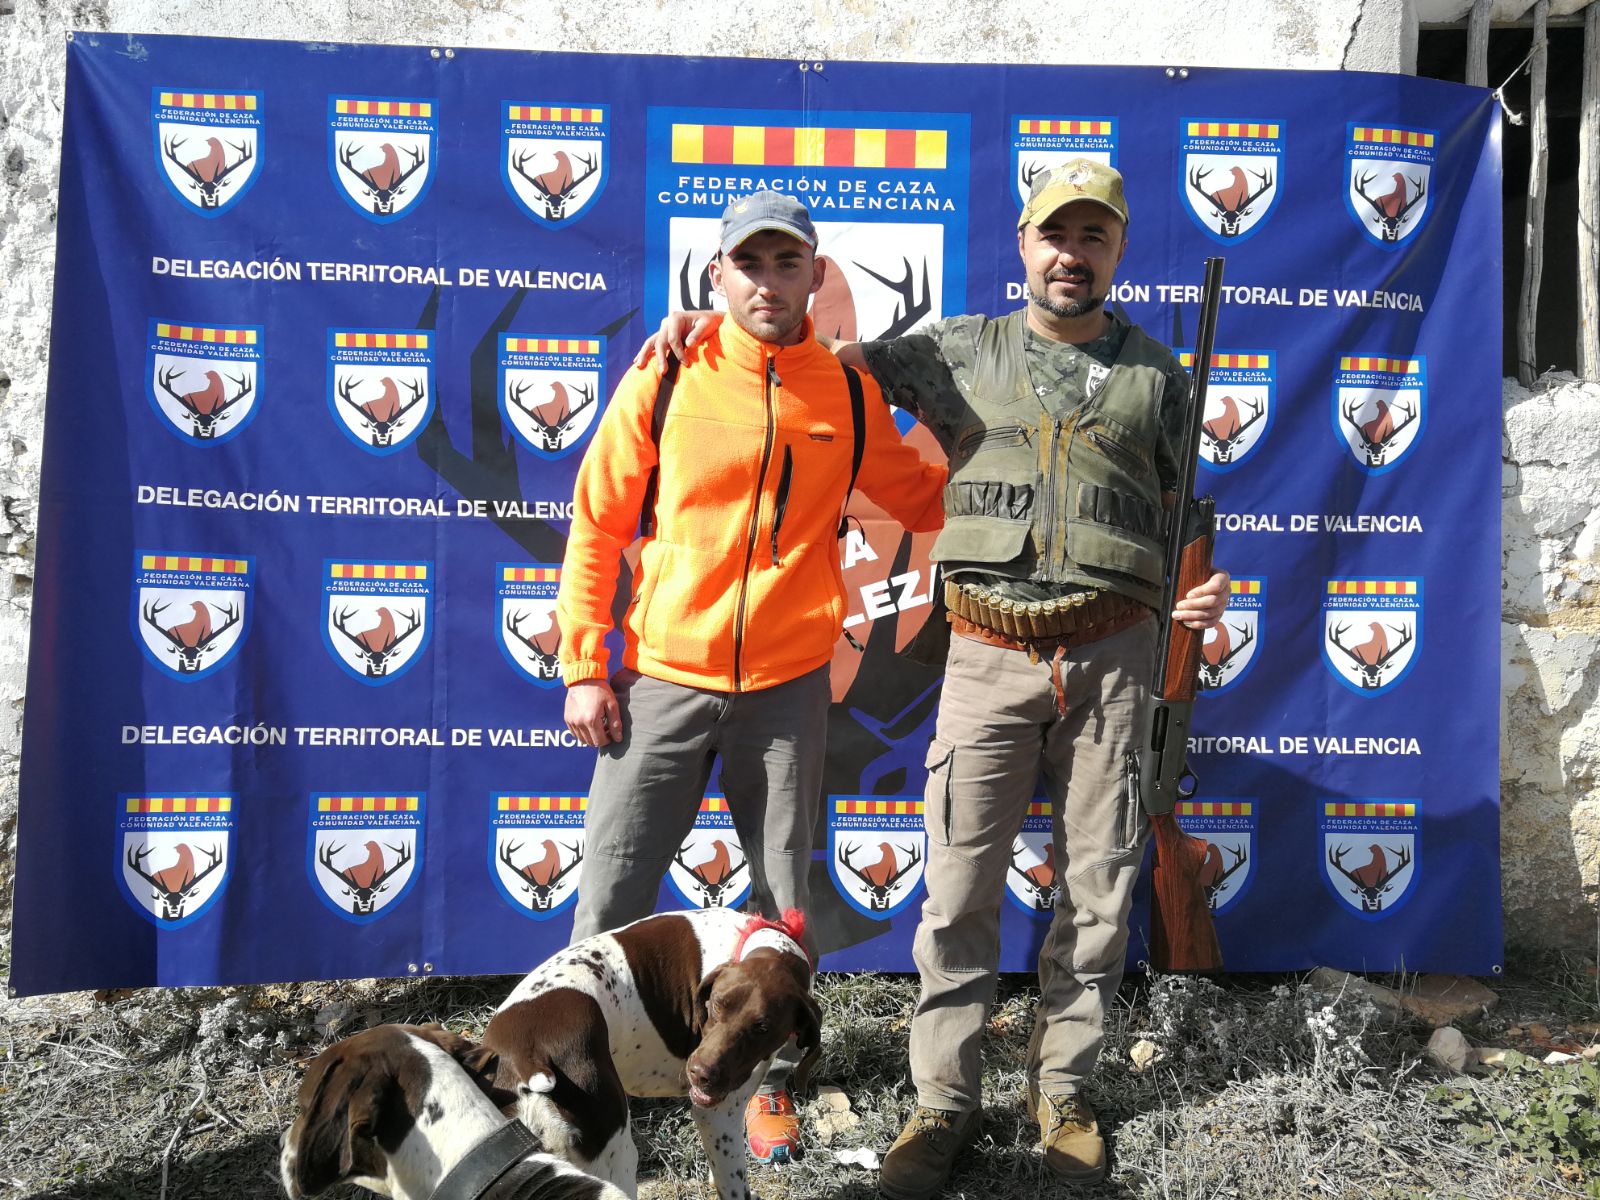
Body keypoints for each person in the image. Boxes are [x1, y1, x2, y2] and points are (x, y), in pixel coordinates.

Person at [645, 159, 1230, 1195]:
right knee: (956, 893)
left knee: (1097, 892)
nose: (1071, 255)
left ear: (1117, 251)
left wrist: (1200, 591)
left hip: (1114, 661)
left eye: (1092, 238)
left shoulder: (1157, 375)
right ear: (1024, 243)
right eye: (1055, 235)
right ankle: (943, 1103)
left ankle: (1064, 1094)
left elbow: (1188, 508)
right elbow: (811, 361)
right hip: (987, 658)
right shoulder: (955, 349)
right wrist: (708, 329)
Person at [556, 191, 947, 1165]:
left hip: (787, 686)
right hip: (661, 677)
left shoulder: (844, 393)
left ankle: (766, 1080)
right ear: (717, 274)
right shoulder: (669, 371)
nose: (767, 282)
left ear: (816, 275)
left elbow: (924, 497)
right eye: (749, 263)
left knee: (782, 905)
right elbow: (598, 521)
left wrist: (1025, 465)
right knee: (609, 899)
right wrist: (584, 665)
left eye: (786, 263)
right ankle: (576, 1093)